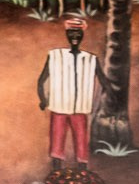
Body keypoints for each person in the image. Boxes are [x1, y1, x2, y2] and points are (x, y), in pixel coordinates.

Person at [38, 15, 111, 173]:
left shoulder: (90, 59)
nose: (75, 37)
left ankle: (82, 170)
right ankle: (56, 170)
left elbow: (105, 83)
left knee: (81, 140)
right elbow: (41, 80)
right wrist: (43, 99)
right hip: (59, 106)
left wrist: (99, 104)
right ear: (67, 35)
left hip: (80, 108)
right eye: (71, 34)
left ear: (82, 35)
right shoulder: (55, 56)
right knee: (57, 141)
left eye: (78, 34)